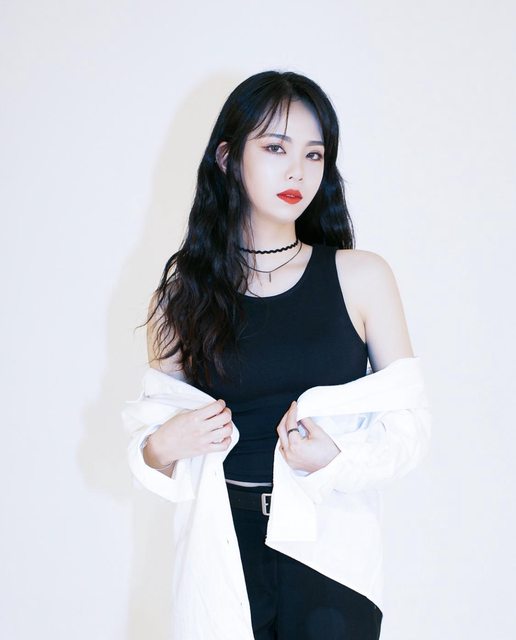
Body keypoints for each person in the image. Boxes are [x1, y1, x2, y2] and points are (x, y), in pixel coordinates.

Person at [130, 70, 426, 639]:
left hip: (329, 554)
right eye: (275, 148)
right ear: (226, 158)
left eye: (314, 154)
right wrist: (162, 444)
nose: (298, 171)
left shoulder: (362, 277)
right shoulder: (181, 296)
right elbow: (153, 449)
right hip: (220, 550)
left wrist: (335, 459)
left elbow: (411, 428)